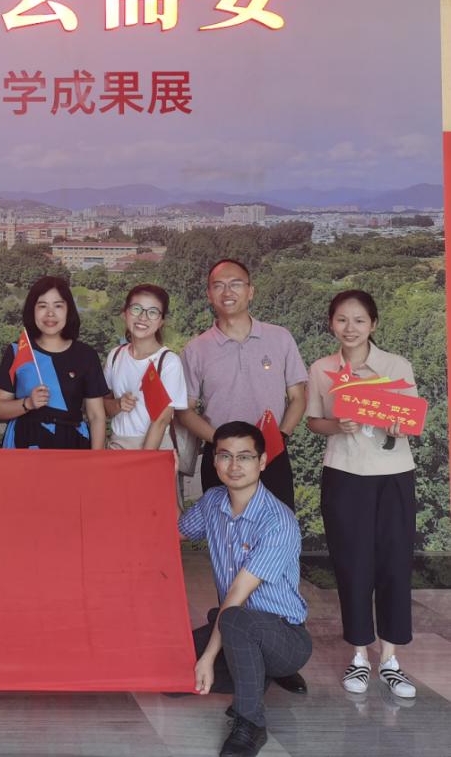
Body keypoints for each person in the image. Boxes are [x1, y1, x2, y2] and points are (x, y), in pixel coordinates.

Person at [306, 290, 419, 699]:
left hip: (393, 476)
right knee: (352, 566)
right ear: (331, 324)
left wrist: (398, 425)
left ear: (373, 324)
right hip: (344, 474)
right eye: (341, 319)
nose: (349, 328)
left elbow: (411, 421)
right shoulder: (321, 369)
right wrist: (337, 425)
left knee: (394, 564)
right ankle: (358, 655)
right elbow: (314, 421)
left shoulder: (396, 366)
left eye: (358, 320)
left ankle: (390, 659)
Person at [179, 422, 312, 757]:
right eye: (225, 456)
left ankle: (250, 722)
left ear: (262, 462)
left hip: (284, 638)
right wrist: (163, 476)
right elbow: (174, 531)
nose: (234, 466)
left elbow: (238, 596)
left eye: (245, 457)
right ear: (214, 461)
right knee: (173, 670)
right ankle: (253, 676)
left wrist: (208, 658)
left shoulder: (277, 521)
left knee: (234, 619)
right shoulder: (213, 502)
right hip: (234, 627)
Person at [177, 259, 307, 512]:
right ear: (209, 294)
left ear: (250, 291)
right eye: (219, 286)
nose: (227, 292)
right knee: (223, 528)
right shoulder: (196, 350)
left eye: (236, 284)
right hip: (221, 458)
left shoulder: (280, 337)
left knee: (277, 527)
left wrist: (280, 436)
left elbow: (298, 396)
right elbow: (185, 410)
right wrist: (222, 442)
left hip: (271, 453)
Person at [0, 275, 106, 449]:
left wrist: (97, 460)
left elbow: (96, 416)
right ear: (32, 310)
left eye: (58, 306)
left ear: (69, 310)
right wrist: (28, 403)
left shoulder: (86, 355)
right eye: (42, 306)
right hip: (24, 444)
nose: (50, 313)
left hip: (72, 444)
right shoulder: (18, 351)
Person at [102, 283, 188, 451]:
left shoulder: (168, 362)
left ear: (161, 321)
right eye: (136, 309)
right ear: (124, 313)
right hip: (118, 446)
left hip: (155, 447)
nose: (143, 317)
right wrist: (118, 404)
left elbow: (161, 421)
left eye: (153, 312)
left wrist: (145, 460)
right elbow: (102, 406)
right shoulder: (115, 355)